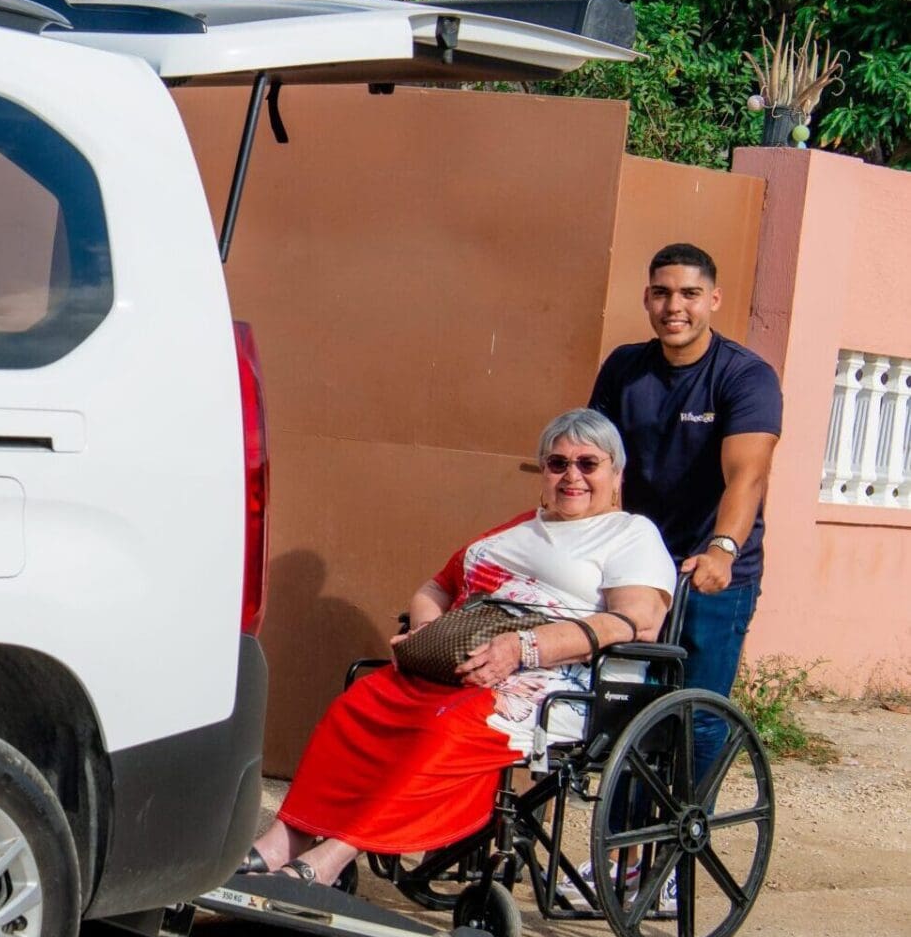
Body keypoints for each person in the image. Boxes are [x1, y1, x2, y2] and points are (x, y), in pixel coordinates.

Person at [239, 408, 676, 887]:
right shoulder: (516, 530)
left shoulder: (629, 534)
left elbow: (637, 621)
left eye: (588, 464)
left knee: (443, 728)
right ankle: (287, 837)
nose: (572, 476)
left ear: (617, 474)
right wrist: (429, 633)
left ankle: (334, 856)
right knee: (359, 705)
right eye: (557, 463)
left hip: (549, 681)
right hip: (459, 663)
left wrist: (524, 647)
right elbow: (436, 587)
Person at [589, 241, 782, 786]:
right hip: (640, 567)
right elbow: (600, 460)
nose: (675, 307)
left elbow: (746, 475)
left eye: (690, 294)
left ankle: (684, 831)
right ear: (646, 299)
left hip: (711, 571)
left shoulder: (744, 376)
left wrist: (723, 549)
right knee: (627, 705)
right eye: (662, 293)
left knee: (697, 714)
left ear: (713, 300)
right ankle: (627, 838)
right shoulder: (625, 368)